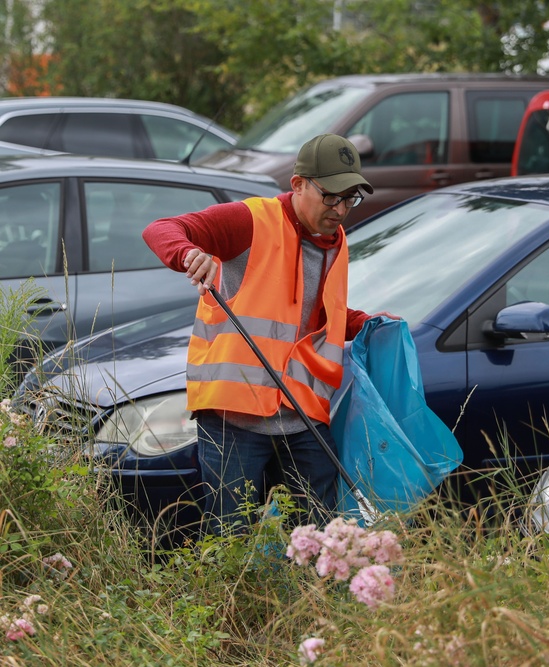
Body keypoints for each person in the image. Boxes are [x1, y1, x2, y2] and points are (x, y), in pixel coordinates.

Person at [143, 133, 392, 534]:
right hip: (234, 418)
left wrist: (364, 323)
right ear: (298, 185)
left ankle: (309, 599)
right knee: (231, 539)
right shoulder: (250, 221)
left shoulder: (336, 240)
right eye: (331, 196)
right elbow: (161, 228)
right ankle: (234, 599)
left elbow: (315, 312)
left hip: (302, 415)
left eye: (350, 198)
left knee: (319, 537)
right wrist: (189, 254)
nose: (341, 208)